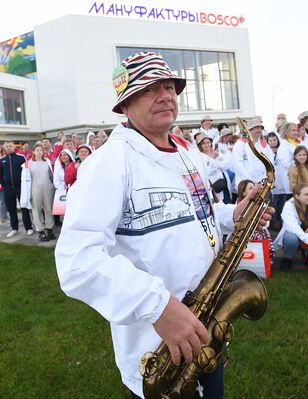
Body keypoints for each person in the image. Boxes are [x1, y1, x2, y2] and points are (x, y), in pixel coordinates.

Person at [54, 52, 273, 399]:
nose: (166, 95)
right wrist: (157, 306)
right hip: (158, 352)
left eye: (170, 87)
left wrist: (232, 214)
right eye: (150, 88)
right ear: (125, 104)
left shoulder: (186, 153)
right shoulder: (107, 164)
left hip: (205, 330)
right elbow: (76, 260)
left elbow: (196, 212)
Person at [274, 183, 308, 271]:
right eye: (306, 194)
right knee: (291, 237)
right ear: (297, 196)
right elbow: (294, 228)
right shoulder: (289, 206)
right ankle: (288, 258)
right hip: (297, 235)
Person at [0, 141, 34, 238]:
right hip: (8, 189)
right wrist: (5, 186)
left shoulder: (21, 158)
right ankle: (14, 228)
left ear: (13, 147)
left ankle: (28, 227)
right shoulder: (2, 160)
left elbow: (26, 172)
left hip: (20, 188)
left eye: (10, 146)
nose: (8, 148)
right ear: (4, 148)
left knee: (24, 208)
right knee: (11, 210)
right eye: (6, 146)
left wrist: (25, 185)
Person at [20, 143, 56, 241]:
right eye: (37, 150)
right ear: (33, 152)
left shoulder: (47, 161)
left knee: (48, 209)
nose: (39, 152)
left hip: (48, 187)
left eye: (41, 150)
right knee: (36, 210)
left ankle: (49, 228)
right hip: (35, 188)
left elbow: (51, 175)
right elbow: (25, 179)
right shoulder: (28, 163)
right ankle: (40, 230)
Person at [237, 180, 275, 265]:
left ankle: (262, 264)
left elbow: (266, 224)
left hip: (258, 232)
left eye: (254, 187)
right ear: (243, 193)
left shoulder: (261, 204)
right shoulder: (237, 206)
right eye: (251, 188)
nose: (254, 190)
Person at [231, 116, 274, 189]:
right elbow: (238, 165)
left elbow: (270, 163)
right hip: (246, 185)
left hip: (262, 186)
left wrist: (264, 181)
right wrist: (251, 182)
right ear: (250, 130)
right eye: (256, 128)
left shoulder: (265, 145)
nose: (259, 130)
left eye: (260, 128)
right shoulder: (240, 144)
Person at [197, 133, 232, 203]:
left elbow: (224, 166)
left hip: (224, 182)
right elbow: (207, 172)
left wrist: (215, 160)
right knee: (218, 203)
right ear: (200, 146)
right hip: (214, 185)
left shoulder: (216, 152)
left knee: (227, 202)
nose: (207, 145)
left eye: (208, 142)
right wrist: (213, 159)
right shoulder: (200, 157)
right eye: (204, 143)